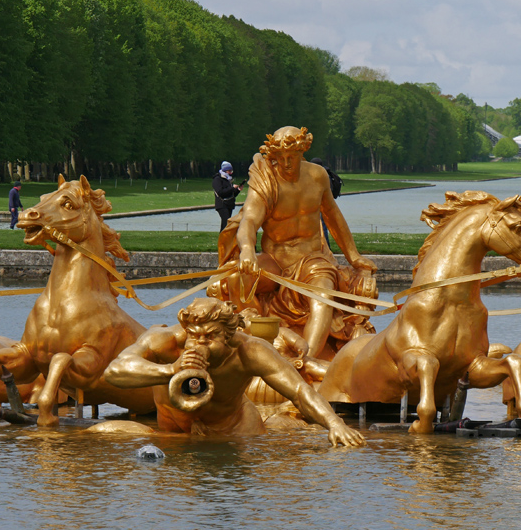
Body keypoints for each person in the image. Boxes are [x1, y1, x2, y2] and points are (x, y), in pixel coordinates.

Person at [102, 297, 364, 447]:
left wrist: (335, 424)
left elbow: (299, 390)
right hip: (174, 434)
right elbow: (115, 371)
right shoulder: (166, 342)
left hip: (235, 434)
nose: (200, 343)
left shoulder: (249, 351)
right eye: (195, 336)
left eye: (211, 336)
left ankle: (287, 424)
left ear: (228, 335)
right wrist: (170, 370)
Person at [214, 126, 377, 358]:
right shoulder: (266, 182)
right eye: (280, 158)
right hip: (275, 261)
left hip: (312, 260)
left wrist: (354, 256)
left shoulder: (318, 176)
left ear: (303, 152)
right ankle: (254, 343)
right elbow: (249, 221)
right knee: (235, 278)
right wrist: (248, 251)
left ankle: (305, 360)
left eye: (292, 157)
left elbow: (333, 216)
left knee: (322, 295)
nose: (287, 163)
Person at [310, 157, 343, 246]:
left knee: (323, 227)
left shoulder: (321, 176)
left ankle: (326, 247)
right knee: (321, 226)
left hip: (321, 205)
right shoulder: (324, 174)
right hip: (324, 204)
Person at [212, 161, 243, 232]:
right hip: (222, 205)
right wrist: (232, 188)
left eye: (231, 171)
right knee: (226, 223)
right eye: (229, 171)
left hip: (229, 204)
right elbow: (220, 192)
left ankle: (224, 240)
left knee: (226, 224)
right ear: (225, 170)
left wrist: (238, 190)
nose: (231, 173)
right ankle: (223, 240)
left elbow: (231, 195)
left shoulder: (228, 180)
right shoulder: (217, 179)